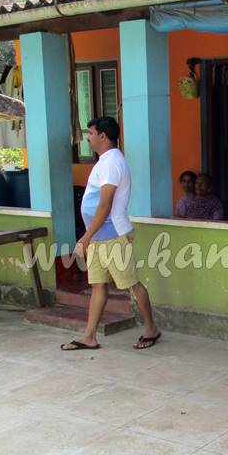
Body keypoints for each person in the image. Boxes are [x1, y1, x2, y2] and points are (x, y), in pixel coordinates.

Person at [60, 116, 161, 351]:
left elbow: (105, 205)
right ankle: (89, 336)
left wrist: (84, 237)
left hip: (113, 235)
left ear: (103, 136)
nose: (88, 137)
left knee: (131, 284)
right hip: (98, 236)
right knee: (98, 285)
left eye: (91, 133)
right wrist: (90, 236)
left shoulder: (113, 162)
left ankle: (151, 329)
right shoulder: (104, 162)